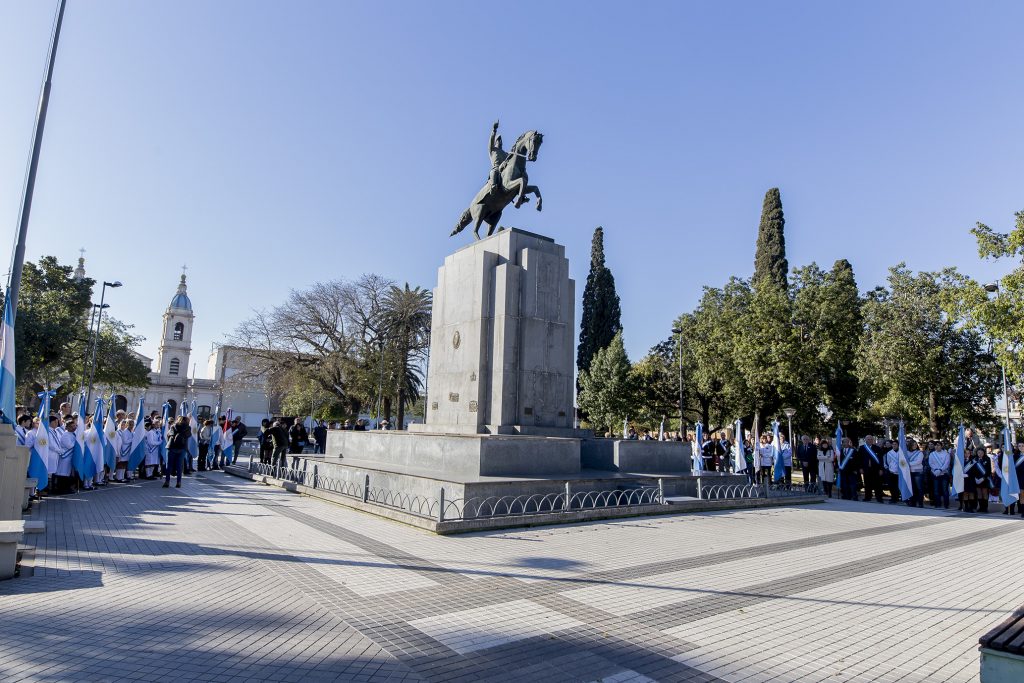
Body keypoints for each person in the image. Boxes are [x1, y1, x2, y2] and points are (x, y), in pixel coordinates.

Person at [164, 415, 191, 488]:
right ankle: (178, 482)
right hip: (182, 448)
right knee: (179, 466)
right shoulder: (188, 428)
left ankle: (167, 481)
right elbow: (188, 436)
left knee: (169, 465)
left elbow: (169, 435)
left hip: (171, 447)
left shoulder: (173, 426)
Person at [858, 435, 885, 503]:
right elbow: (859, 459)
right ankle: (867, 497)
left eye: (871, 439)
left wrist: (881, 469)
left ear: (873, 440)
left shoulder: (877, 448)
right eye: (868, 439)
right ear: (865, 440)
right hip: (866, 469)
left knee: (877, 484)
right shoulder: (862, 448)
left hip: (876, 469)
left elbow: (881, 460)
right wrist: (860, 468)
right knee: (867, 484)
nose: (869, 440)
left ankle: (879, 498)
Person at [929, 440, 951, 509]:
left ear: (941, 446)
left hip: (944, 474)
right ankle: (937, 504)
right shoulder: (932, 454)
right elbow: (931, 463)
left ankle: (946, 504)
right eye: (936, 445)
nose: (937, 446)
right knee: (936, 490)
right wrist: (936, 470)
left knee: (945, 490)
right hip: (935, 474)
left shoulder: (946, 454)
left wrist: (940, 470)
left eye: (938, 445)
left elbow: (946, 464)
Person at [970, 446, 992, 513]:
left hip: (984, 479)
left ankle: (985, 508)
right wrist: (976, 478)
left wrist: (983, 478)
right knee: (979, 493)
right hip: (977, 479)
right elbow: (972, 470)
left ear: (984, 453)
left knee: (985, 493)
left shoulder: (987, 459)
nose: (980, 454)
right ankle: (980, 507)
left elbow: (988, 470)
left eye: (981, 452)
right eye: (978, 452)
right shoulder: (974, 459)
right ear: (976, 453)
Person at [115, 418, 133, 482]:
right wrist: (133, 440)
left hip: (127, 450)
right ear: (127, 424)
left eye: (132, 425)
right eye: (130, 424)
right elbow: (125, 441)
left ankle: (122, 477)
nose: (132, 426)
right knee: (121, 463)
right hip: (123, 450)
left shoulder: (131, 432)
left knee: (125, 464)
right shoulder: (125, 432)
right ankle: (118, 477)